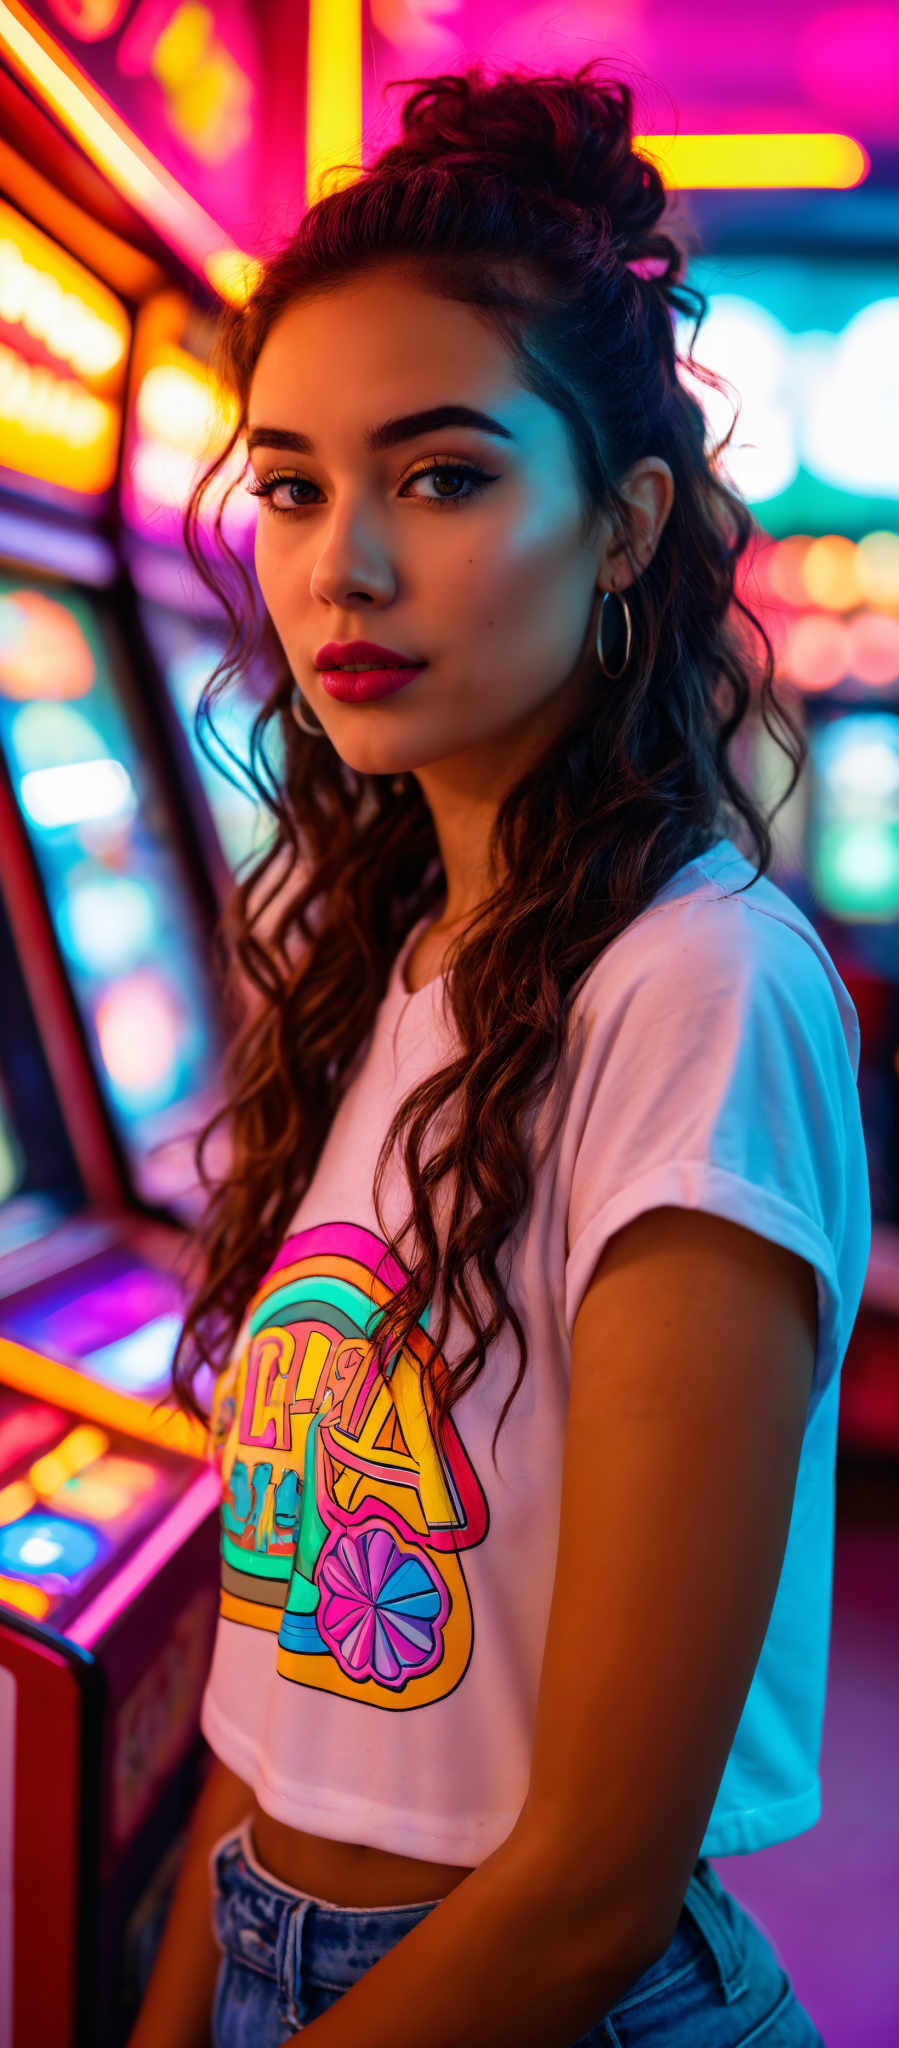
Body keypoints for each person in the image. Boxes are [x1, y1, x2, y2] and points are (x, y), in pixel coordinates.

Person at [126, 57, 869, 2048]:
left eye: (443, 477)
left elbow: (591, 1874)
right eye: (292, 486)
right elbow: (280, 1700)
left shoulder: (697, 989)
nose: (340, 571)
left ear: (626, 524)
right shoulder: (393, 957)